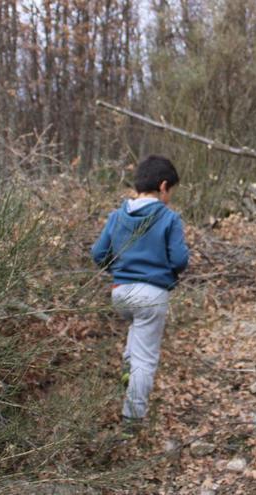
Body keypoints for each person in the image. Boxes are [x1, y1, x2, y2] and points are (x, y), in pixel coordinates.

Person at [91, 155, 189, 432]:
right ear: (163, 186)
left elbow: (98, 253)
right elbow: (180, 259)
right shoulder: (168, 218)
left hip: (120, 293)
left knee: (137, 326)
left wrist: (118, 268)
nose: (170, 197)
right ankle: (131, 422)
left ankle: (127, 366)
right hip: (152, 293)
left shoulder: (118, 215)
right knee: (146, 359)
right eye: (171, 191)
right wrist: (166, 270)